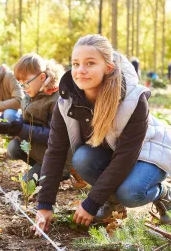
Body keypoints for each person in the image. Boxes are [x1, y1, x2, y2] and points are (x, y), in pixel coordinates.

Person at [34, 34, 171, 235]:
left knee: (131, 193)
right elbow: (55, 152)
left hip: (149, 152)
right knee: (82, 157)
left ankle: (164, 192)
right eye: (76, 63)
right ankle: (113, 203)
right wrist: (44, 205)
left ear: (108, 68)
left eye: (90, 63)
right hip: (112, 151)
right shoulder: (66, 102)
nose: (80, 70)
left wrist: (91, 202)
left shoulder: (134, 99)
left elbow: (124, 158)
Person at [0, 53, 86, 188]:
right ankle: (47, 167)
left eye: (26, 83)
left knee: (26, 184)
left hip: (59, 154)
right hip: (43, 150)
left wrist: (22, 129)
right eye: (20, 84)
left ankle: (64, 170)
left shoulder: (57, 99)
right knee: (14, 147)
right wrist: (11, 128)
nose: (23, 88)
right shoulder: (30, 93)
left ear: (42, 77)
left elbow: (54, 136)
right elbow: (26, 118)